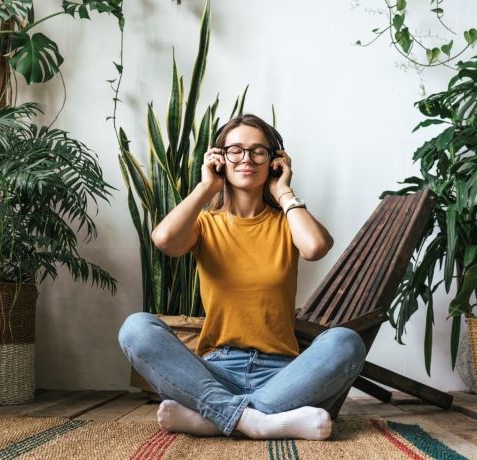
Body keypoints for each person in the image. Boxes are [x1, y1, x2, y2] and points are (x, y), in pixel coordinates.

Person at [118, 114, 366, 440]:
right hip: (215, 371)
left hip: (283, 374)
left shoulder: (287, 222)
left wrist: (284, 191)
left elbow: (315, 247)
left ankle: (213, 418)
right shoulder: (206, 225)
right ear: (220, 160)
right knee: (136, 328)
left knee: (345, 342)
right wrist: (206, 186)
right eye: (235, 150)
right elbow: (164, 239)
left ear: (274, 160)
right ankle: (260, 422)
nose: (246, 159)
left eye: (258, 151)